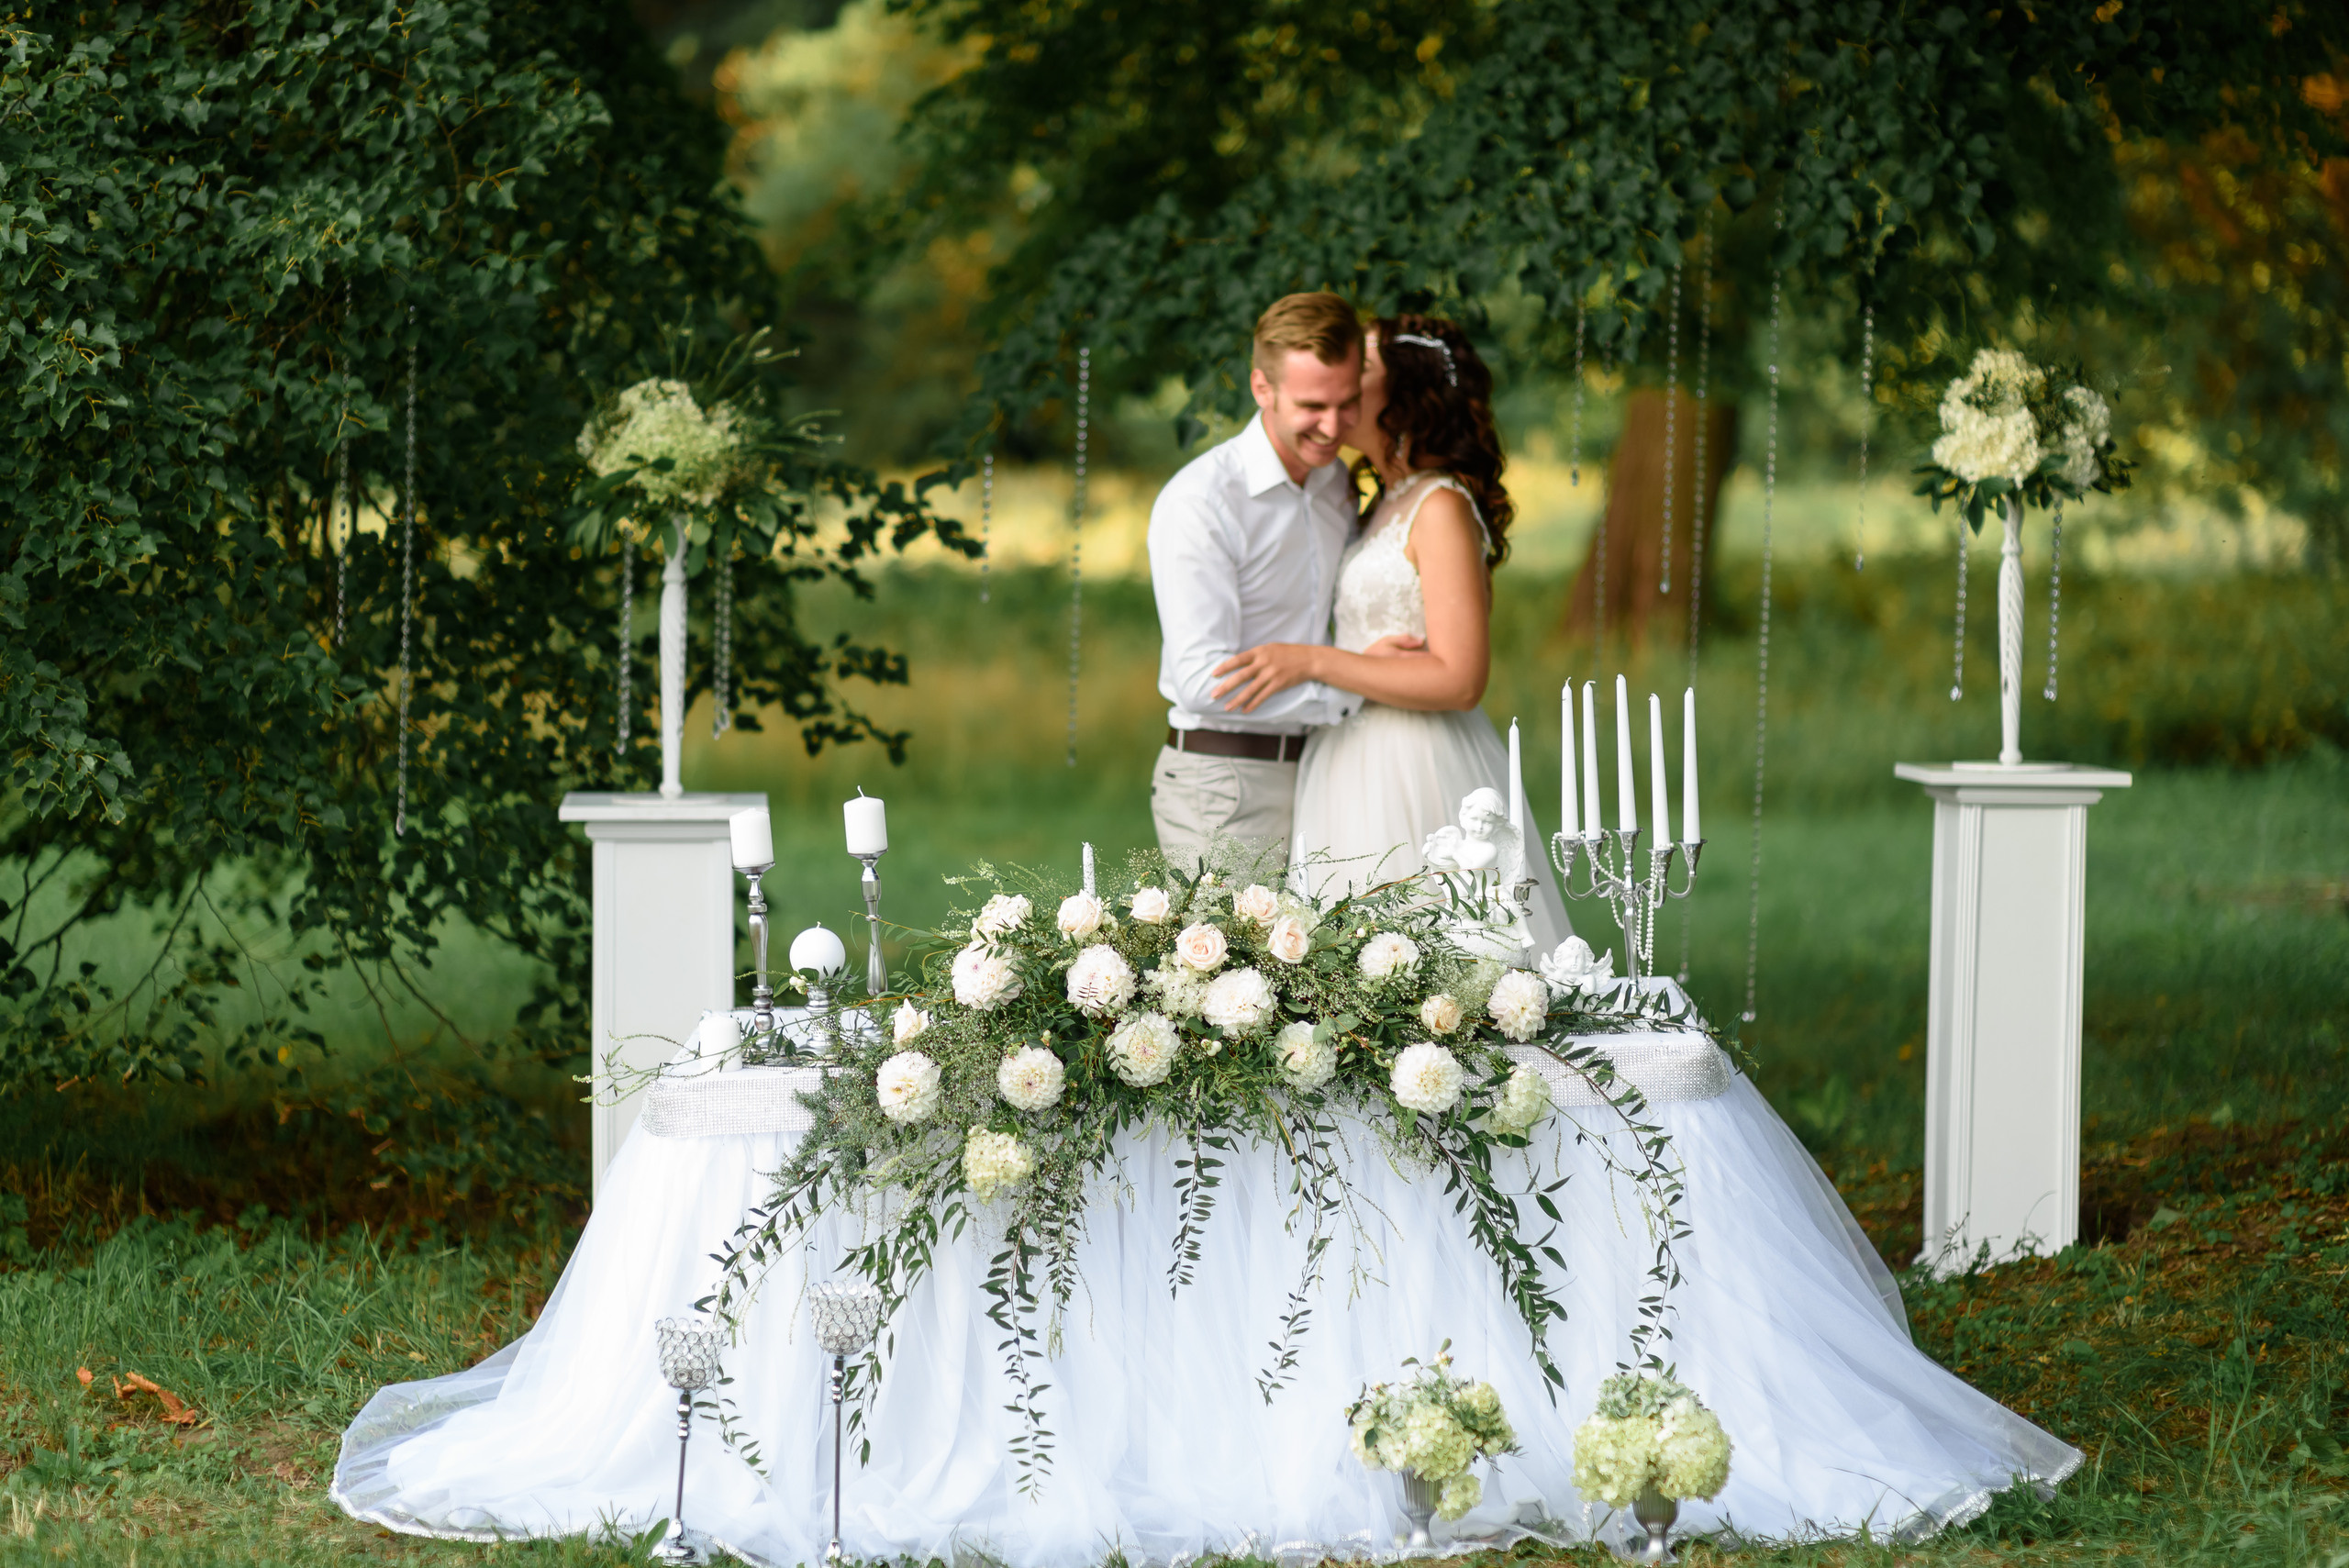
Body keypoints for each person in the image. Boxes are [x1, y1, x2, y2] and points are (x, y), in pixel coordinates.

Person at [1210, 314, 1571, 949]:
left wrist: (1316, 661)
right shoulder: (1384, 502)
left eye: (1363, 370)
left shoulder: (1440, 507)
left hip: (1416, 762)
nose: (1346, 380)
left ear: (1402, 396)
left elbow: (1461, 678)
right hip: (1348, 755)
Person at [1145, 293, 1368, 867]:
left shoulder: (1336, 485)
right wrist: (1351, 687)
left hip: (1327, 774)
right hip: (1225, 786)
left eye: (1349, 403)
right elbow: (1201, 679)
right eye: (1312, 405)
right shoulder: (1202, 501)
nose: (1334, 426)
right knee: (1235, 960)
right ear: (1262, 389)